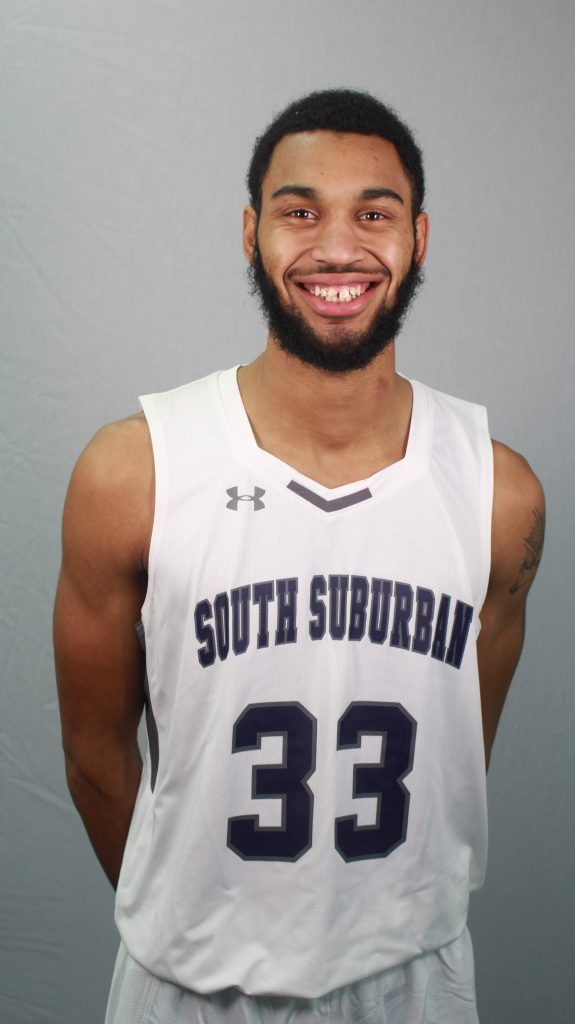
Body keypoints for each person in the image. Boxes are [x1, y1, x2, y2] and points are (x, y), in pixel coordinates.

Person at [54, 89, 545, 1024]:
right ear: (251, 233)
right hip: (190, 979)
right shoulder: (133, 471)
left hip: (410, 975)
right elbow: (93, 758)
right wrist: (189, 919)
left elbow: (456, 757)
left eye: (374, 213)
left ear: (419, 239)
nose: (337, 248)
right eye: (300, 211)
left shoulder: (500, 496)